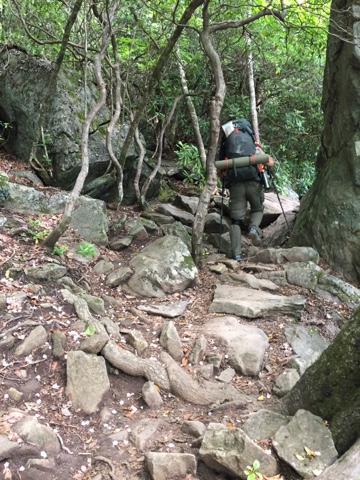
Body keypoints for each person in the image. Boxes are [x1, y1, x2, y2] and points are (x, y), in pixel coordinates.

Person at [218, 118, 274, 261]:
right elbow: (270, 162)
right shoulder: (254, 147)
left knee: (236, 220)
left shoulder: (227, 148)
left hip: (236, 184)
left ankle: (236, 254)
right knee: (257, 209)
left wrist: (224, 179)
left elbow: (220, 170)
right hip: (254, 183)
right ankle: (254, 228)